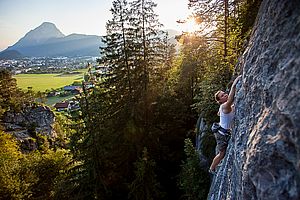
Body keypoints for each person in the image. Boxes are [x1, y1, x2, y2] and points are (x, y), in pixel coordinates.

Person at [209, 75, 241, 174]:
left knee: (222, 153)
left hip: (223, 130)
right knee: (222, 154)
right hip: (221, 135)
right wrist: (234, 85)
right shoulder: (224, 106)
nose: (225, 95)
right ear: (220, 101)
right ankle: (212, 168)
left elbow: (220, 113)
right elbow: (231, 99)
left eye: (224, 93)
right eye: (222, 96)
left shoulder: (223, 106)